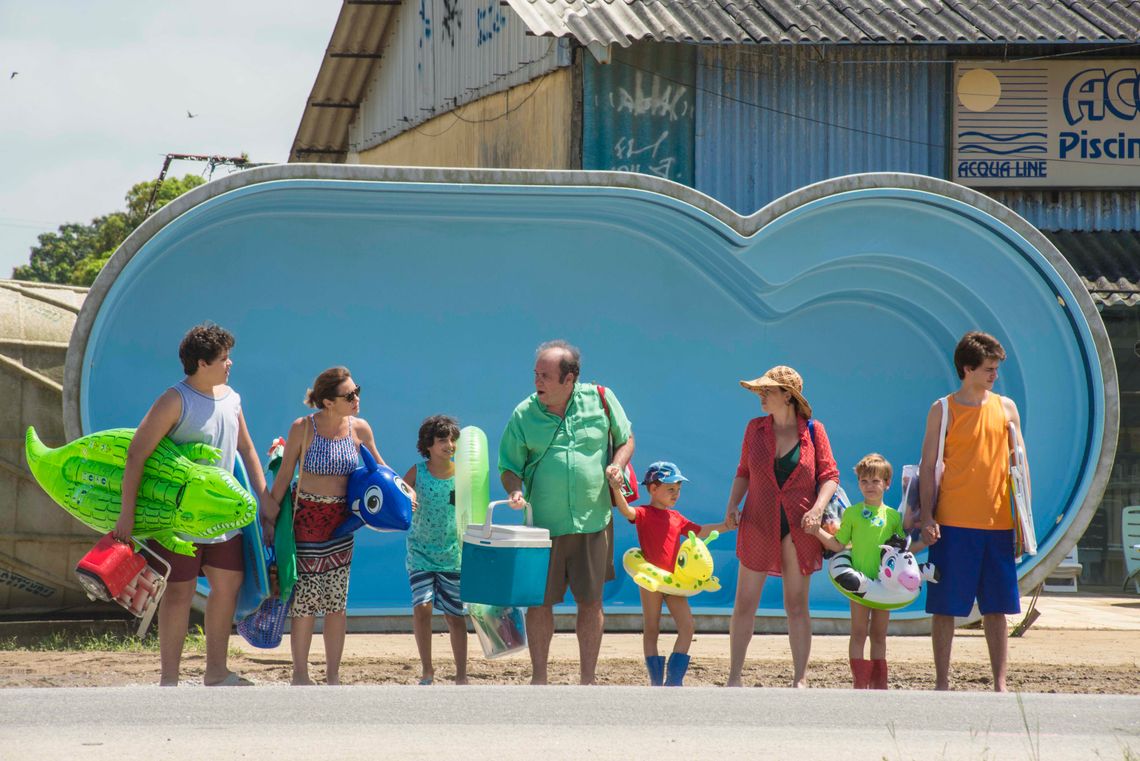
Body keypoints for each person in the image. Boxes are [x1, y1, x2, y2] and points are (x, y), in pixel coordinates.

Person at [113, 323, 269, 687]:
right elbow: (137, 454)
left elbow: (246, 450)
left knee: (228, 585)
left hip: (223, 517)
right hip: (177, 520)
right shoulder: (174, 400)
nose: (230, 364)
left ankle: (216, 671)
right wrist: (127, 512)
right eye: (223, 359)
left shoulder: (232, 398)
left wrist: (266, 499)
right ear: (202, 363)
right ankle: (169, 678)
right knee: (180, 592)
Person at [499, 339, 634, 685]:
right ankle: (539, 679)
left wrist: (617, 465)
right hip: (543, 528)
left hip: (593, 521)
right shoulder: (523, 414)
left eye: (545, 375)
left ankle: (587, 680)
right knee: (539, 604)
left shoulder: (602, 399)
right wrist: (514, 489)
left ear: (569, 379)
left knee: (591, 602)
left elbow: (626, 439)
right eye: (535, 374)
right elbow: (508, 465)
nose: (537, 382)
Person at [263, 366, 392, 686]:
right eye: (349, 395)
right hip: (304, 523)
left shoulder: (359, 429)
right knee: (306, 602)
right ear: (327, 401)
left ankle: (333, 676)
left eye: (357, 391)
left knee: (336, 603)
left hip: (341, 526)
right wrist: (269, 520)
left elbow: (381, 469)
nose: (357, 399)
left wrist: (405, 493)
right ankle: (301, 674)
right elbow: (282, 480)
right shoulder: (302, 429)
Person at [918, 331, 1028, 693]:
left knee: (997, 608)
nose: (995, 374)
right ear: (967, 369)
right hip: (952, 524)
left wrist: (1023, 525)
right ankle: (941, 682)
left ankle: (1000, 684)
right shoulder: (942, 408)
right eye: (988, 368)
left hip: (998, 523)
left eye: (996, 368)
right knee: (945, 608)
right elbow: (928, 466)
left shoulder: (1006, 408)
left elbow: (1021, 471)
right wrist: (929, 517)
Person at [723, 365, 839, 688]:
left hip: (801, 525)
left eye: (768, 391)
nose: (761, 396)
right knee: (744, 602)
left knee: (796, 605)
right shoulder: (754, 429)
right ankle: (734, 677)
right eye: (761, 390)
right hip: (758, 520)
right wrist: (732, 504)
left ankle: (800, 679)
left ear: (788, 396)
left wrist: (817, 510)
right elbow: (743, 470)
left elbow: (830, 476)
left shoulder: (814, 431)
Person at [609, 461, 729, 686]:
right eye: (670, 489)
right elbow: (626, 510)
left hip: (675, 582)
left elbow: (701, 531)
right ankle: (656, 681)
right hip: (650, 580)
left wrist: (726, 525)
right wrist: (616, 488)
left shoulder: (676, 517)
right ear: (653, 489)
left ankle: (674, 680)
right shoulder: (644, 513)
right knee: (652, 627)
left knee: (687, 626)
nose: (676, 494)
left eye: (678, 490)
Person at [815, 453, 925, 689]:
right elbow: (837, 544)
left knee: (878, 634)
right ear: (859, 484)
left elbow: (905, 552)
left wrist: (926, 542)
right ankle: (859, 681)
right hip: (861, 584)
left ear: (887, 484)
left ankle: (879, 682)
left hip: (885, 587)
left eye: (876, 481)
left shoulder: (894, 518)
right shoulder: (853, 514)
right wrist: (816, 531)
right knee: (858, 631)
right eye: (864, 481)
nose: (870, 486)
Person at [403, 414, 467, 686]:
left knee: (455, 616)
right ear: (428, 444)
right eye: (443, 440)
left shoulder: (464, 473)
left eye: (453, 439)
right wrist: (409, 496)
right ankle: (427, 670)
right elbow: (401, 492)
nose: (449, 445)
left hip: (453, 556)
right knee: (423, 608)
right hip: (420, 553)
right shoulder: (418, 471)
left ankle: (461, 675)